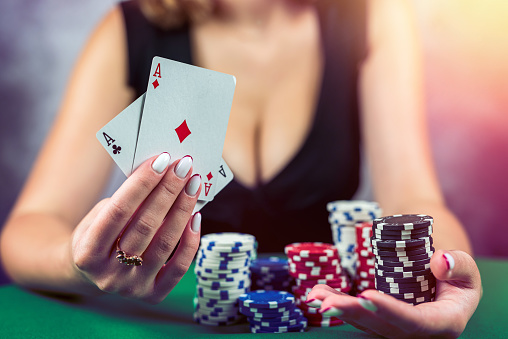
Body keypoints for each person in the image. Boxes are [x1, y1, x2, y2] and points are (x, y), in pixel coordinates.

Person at [0, 0, 481, 337]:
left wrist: (442, 273)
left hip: (319, 321)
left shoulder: (372, 14)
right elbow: (29, 227)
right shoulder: (129, 30)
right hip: (176, 323)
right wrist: (79, 261)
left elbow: (415, 200)